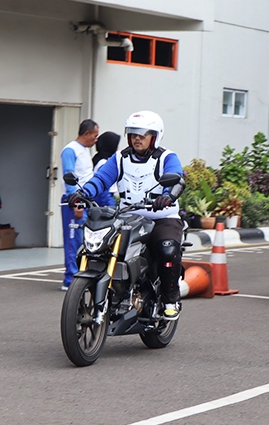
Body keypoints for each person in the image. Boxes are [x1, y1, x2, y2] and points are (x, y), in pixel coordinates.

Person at [67, 110, 186, 320]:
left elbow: (177, 179)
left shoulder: (167, 157)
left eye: (142, 134)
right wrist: (82, 193)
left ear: (155, 136)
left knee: (167, 250)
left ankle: (170, 299)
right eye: (133, 134)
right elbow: (101, 179)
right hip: (127, 216)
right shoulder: (120, 158)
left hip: (161, 217)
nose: (136, 138)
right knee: (97, 248)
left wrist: (168, 196)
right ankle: (115, 290)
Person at [60, 118, 100, 291]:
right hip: (75, 203)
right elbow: (69, 177)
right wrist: (76, 203)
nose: (96, 140)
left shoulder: (83, 151)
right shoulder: (70, 150)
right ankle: (70, 279)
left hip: (85, 201)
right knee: (73, 241)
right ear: (87, 133)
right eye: (95, 136)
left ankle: (79, 276)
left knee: (83, 240)